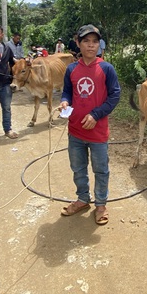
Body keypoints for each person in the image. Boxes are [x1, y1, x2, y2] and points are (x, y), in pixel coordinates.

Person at [59, 24, 121, 226]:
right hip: (75, 130)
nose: (91, 45)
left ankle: (101, 204)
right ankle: (83, 199)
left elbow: (114, 96)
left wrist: (96, 114)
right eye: (86, 41)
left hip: (98, 132)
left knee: (101, 169)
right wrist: (65, 102)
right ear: (78, 43)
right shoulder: (71, 69)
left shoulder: (106, 68)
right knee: (78, 168)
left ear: (99, 44)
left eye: (95, 41)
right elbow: (67, 91)